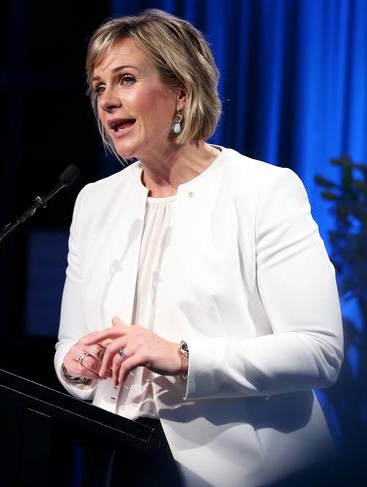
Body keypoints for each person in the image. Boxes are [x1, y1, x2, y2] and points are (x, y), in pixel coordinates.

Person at [54, 9, 343, 487]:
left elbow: (319, 352)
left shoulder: (262, 191)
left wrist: (185, 357)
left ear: (181, 93)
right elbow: (69, 346)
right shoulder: (95, 202)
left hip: (254, 469)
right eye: (99, 87)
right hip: (122, 459)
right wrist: (76, 365)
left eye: (126, 79)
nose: (107, 101)